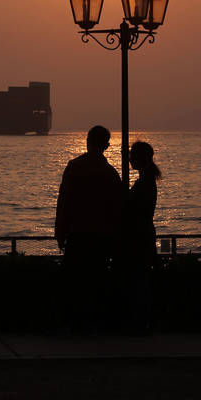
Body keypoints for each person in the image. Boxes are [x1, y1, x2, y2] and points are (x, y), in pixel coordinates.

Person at [54, 125, 123, 330]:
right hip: (101, 236)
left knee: (73, 282)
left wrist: (60, 232)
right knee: (97, 281)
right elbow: (116, 208)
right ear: (107, 146)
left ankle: (71, 323)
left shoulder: (74, 166)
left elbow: (64, 201)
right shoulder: (110, 173)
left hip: (77, 234)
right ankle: (94, 324)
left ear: (87, 141)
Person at [119, 141, 162, 332]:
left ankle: (139, 322)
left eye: (131, 155)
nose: (128, 159)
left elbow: (133, 209)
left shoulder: (144, 182)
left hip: (138, 237)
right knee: (139, 279)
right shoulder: (146, 180)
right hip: (142, 235)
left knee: (138, 280)